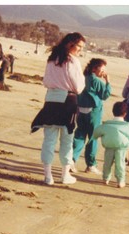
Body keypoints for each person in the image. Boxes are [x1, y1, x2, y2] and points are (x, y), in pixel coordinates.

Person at [31, 32, 86, 185]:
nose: (80, 50)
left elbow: (46, 81)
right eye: (79, 47)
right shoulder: (73, 61)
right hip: (68, 100)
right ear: (70, 44)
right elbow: (79, 87)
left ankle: (48, 176)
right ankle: (65, 175)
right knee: (67, 139)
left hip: (50, 99)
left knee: (49, 139)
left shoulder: (52, 58)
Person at [72, 58, 111, 174]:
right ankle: (91, 164)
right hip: (93, 112)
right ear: (94, 68)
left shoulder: (83, 78)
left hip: (81, 110)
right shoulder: (96, 81)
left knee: (79, 135)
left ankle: (71, 160)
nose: (103, 72)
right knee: (93, 138)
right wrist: (108, 82)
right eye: (102, 69)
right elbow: (105, 95)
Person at [93, 102, 129, 188]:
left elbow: (96, 133)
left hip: (109, 146)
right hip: (121, 147)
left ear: (113, 112)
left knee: (107, 163)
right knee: (120, 164)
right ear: (125, 114)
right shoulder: (126, 126)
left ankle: (106, 178)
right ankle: (120, 181)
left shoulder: (106, 125)